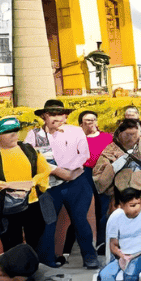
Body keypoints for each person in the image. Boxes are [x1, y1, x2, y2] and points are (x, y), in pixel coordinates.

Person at [25, 99, 97, 269]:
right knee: (48, 223)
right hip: (49, 186)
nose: (57, 118)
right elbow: (31, 159)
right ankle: (47, 262)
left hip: (76, 183)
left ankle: (90, 257)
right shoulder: (33, 135)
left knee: (80, 220)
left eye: (60, 114)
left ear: (66, 116)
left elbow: (84, 154)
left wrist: (70, 172)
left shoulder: (76, 131)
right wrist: (57, 171)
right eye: (52, 114)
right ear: (44, 116)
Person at [0, 116, 54, 253]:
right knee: (11, 244)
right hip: (7, 205)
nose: (13, 134)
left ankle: (34, 270)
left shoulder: (29, 149)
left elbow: (45, 170)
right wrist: (10, 186)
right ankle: (14, 272)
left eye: (16, 130)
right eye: (8, 131)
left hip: (32, 202)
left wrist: (33, 182)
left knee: (36, 241)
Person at [62, 110, 113, 262]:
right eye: (86, 120)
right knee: (79, 210)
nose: (90, 123)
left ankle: (102, 243)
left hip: (103, 173)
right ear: (80, 124)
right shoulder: (76, 138)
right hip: (83, 173)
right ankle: (68, 245)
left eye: (93, 119)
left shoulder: (107, 137)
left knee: (103, 209)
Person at [93, 119, 141, 200]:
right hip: (120, 194)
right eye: (128, 134)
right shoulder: (111, 149)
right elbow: (98, 179)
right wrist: (114, 167)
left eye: (134, 134)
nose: (131, 137)